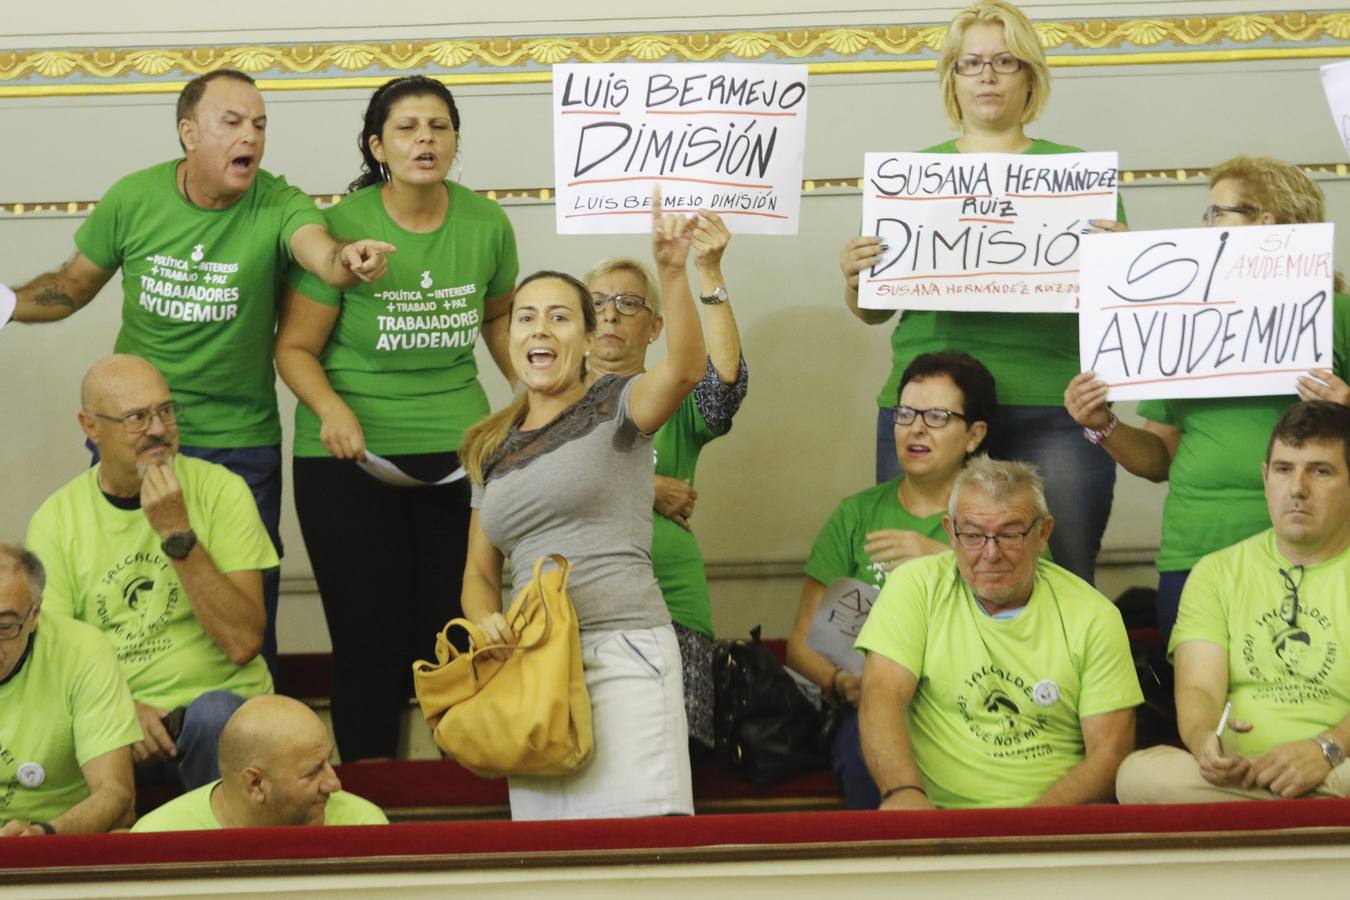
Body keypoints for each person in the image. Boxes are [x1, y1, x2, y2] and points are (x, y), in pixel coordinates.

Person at [3, 69, 395, 675]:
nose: (252, 138)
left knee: (245, 611)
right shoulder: (134, 198)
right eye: (233, 123)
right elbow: (71, 286)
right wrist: (3, 305)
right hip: (134, 435)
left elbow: (318, 248)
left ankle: (253, 738)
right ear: (189, 133)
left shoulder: (278, 201)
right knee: (128, 598)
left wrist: (346, 260)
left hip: (239, 441)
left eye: (260, 125)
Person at [838, 0, 1124, 584]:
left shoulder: (1081, 178)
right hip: (931, 407)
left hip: (1056, 404)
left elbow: (1117, 311)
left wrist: (1128, 268)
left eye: (1005, 61)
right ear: (952, 78)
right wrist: (855, 277)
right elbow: (874, 311)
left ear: (1030, 78)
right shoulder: (908, 177)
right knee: (914, 580)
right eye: (971, 63)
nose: (987, 75)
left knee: (1062, 573)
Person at [275, 76, 519, 762]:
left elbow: (498, 318)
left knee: (457, 633)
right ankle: (372, 801)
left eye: (439, 126)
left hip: (459, 455)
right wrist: (330, 410)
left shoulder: (486, 223)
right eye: (409, 128)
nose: (426, 140)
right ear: (379, 145)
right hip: (348, 459)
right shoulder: (345, 227)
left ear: (456, 140)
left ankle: (461, 790)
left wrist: (528, 400)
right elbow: (292, 348)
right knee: (367, 637)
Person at [459, 194, 706, 820]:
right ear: (509, 337)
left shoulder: (617, 404)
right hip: (533, 667)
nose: (540, 329)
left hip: (624, 652)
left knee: (642, 857)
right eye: (525, 318)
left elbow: (683, 370)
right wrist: (486, 622)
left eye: (561, 318)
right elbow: (480, 574)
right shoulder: (490, 445)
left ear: (590, 338)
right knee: (551, 865)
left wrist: (675, 274)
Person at [1064, 155, 1350, 646]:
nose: (1205, 225)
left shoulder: (1338, 313)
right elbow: (1159, 460)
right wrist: (1101, 425)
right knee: (1199, 709)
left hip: (1317, 551)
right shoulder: (1181, 317)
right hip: (1194, 554)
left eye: (1217, 214)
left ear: (1267, 221)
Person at [26, 355, 277, 791]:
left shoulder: (221, 490)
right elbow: (57, 663)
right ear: (91, 427)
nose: (159, 429)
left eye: (165, 410)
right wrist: (121, 710)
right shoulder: (56, 520)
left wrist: (177, 533)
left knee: (215, 715)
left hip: (218, 716)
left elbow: (243, 642)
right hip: (115, 724)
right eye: (137, 418)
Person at [856, 457, 1142, 809]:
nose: (990, 554)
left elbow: (1109, 755)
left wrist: (1027, 830)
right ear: (950, 532)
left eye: (1009, 534)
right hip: (937, 816)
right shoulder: (913, 587)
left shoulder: (1094, 615)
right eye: (973, 535)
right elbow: (881, 697)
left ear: (1043, 534)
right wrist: (902, 792)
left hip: (1056, 820)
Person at [787, 351, 997, 808]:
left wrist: (944, 557)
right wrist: (841, 682)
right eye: (905, 414)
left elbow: (1039, 608)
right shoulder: (857, 514)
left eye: (937, 416)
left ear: (974, 435)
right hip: (877, 705)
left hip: (977, 700)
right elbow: (802, 644)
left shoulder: (1000, 517)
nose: (916, 429)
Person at [1117, 402, 1350, 803]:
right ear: (1265, 478)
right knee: (1138, 776)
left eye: (1320, 470)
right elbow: (1199, 689)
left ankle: (1272, 801)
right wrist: (1205, 740)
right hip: (1239, 772)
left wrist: (1325, 750)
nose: (1297, 488)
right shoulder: (1216, 572)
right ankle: (1296, 800)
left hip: (1339, 762)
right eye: (1283, 469)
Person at [583, 211, 746, 754]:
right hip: (581, 604)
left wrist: (709, 270)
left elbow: (723, 386)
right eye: (597, 304)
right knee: (589, 755)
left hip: (673, 601)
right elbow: (532, 488)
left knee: (675, 758)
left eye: (628, 303)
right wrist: (647, 490)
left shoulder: (672, 395)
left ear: (654, 326)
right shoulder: (548, 402)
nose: (610, 315)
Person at [0, 545, 140, 836]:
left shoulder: (83, 651)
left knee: (121, 837)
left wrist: (44, 835)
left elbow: (116, 794)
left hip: (61, 839)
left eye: (5, 627)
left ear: (35, 613)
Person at [132, 695, 386, 831]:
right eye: (313, 772)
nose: (334, 783)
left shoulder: (361, 824)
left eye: (328, 762)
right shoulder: (160, 836)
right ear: (255, 783)